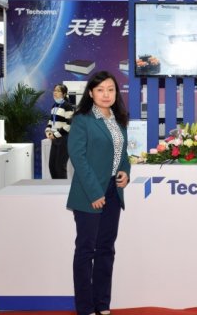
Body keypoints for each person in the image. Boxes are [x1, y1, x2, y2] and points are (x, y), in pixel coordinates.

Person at [66, 71, 131, 315]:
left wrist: (125, 172)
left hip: (113, 192)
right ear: (91, 93)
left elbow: (122, 154)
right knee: (86, 250)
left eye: (110, 89)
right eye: (101, 89)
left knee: (106, 249)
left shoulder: (118, 119)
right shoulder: (82, 119)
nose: (106, 94)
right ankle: (85, 308)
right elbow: (78, 157)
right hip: (89, 193)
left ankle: (102, 304)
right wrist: (95, 192)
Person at [45, 83, 74, 179]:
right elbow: (50, 121)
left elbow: (69, 125)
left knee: (60, 167)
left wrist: (56, 135)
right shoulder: (54, 106)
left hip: (64, 139)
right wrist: (48, 131)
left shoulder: (68, 106)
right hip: (55, 138)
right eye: (54, 90)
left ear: (64, 94)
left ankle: (62, 187)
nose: (55, 92)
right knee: (52, 166)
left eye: (58, 91)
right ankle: (55, 185)